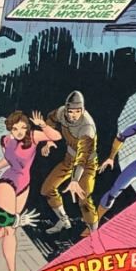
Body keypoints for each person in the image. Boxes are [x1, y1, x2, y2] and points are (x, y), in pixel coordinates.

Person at [0, 109, 61, 271]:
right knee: (9, 228)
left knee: (2, 226)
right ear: (10, 129)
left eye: (22, 127)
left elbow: (57, 136)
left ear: (27, 127)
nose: (19, 131)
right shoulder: (6, 141)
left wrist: (43, 125)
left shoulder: (33, 136)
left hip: (24, 185)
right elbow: (8, 160)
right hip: (7, 183)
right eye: (15, 128)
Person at [40, 90, 98, 232]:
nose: (73, 115)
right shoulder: (61, 113)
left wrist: (75, 180)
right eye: (70, 111)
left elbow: (82, 157)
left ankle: (94, 233)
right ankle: (64, 221)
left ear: (82, 110)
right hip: (69, 159)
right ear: (66, 109)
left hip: (87, 164)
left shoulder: (87, 127)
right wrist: (49, 139)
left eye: (77, 111)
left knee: (83, 199)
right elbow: (50, 119)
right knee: (47, 189)